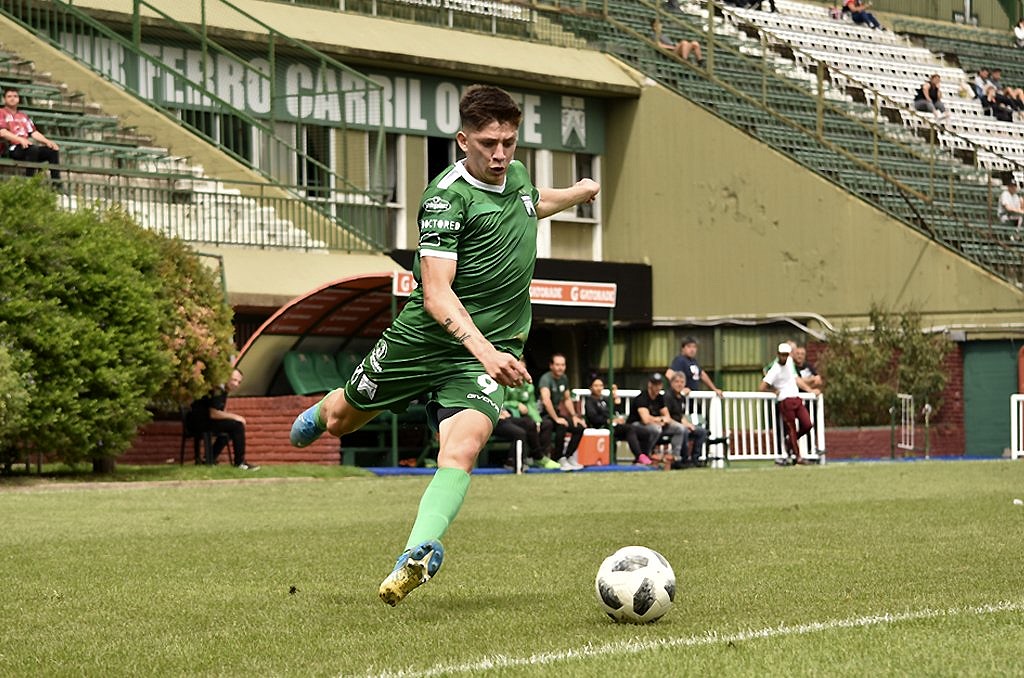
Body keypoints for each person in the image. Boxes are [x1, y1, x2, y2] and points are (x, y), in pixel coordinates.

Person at [288, 84, 600, 606]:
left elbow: (531, 201)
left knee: (462, 448)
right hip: (426, 340)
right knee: (344, 421)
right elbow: (436, 293)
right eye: (488, 144)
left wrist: (576, 193)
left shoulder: (516, 176)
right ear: (463, 140)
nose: (500, 154)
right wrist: (486, 353)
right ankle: (325, 409)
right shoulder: (445, 198)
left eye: (508, 142)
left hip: (488, 348)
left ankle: (415, 553)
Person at [759, 343, 819, 465]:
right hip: (785, 400)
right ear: (778, 354)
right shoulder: (775, 369)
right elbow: (761, 387)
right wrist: (773, 391)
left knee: (807, 424)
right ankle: (798, 457)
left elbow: (796, 379)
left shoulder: (790, 362)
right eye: (782, 355)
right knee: (791, 428)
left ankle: (789, 442)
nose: (784, 357)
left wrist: (809, 390)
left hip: (796, 398)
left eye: (786, 354)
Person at [192, 368, 259, 470]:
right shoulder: (217, 390)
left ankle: (209, 458)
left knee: (231, 428)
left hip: (205, 421)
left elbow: (220, 411)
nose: (236, 384)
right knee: (237, 426)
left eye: (239, 382)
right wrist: (237, 417)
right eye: (234, 380)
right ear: (226, 378)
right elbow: (214, 413)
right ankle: (240, 462)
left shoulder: (223, 391)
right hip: (199, 423)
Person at [501, 358, 560, 470]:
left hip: (526, 417)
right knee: (528, 424)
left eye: (521, 369)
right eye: (516, 369)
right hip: (509, 416)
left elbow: (532, 405)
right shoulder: (505, 383)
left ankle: (541, 457)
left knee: (546, 424)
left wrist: (538, 421)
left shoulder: (528, 386)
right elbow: (501, 402)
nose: (519, 371)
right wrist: (516, 404)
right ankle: (533, 457)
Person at [583, 376, 652, 466]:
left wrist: (617, 406)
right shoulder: (590, 401)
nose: (599, 388)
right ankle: (639, 456)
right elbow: (593, 418)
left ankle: (644, 455)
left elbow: (613, 412)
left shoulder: (604, 400)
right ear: (591, 387)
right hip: (602, 427)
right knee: (629, 429)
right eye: (596, 386)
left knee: (644, 432)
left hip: (614, 425)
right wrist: (608, 420)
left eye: (601, 385)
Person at [0, 87, 61, 182]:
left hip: (27, 147)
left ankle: (56, 184)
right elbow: (2, 132)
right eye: (9, 96)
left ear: (19, 99)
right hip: (11, 147)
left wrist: (47, 141)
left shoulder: (23, 116)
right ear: (4, 99)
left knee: (52, 151)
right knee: (32, 149)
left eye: (15, 96)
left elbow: (33, 132)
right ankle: (30, 181)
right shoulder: (1, 113)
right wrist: (20, 139)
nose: (12, 98)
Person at [537, 352, 586, 471]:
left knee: (579, 427)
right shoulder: (546, 378)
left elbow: (567, 399)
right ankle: (558, 458)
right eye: (557, 365)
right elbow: (546, 401)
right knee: (561, 425)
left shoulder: (564, 378)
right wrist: (557, 418)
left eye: (563, 365)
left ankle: (568, 456)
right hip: (543, 414)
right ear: (551, 366)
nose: (560, 368)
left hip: (555, 413)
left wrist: (574, 416)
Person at [628, 373, 686, 469]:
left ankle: (675, 457)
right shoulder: (642, 398)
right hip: (637, 425)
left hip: (656, 424)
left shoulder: (660, 398)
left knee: (679, 428)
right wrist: (660, 419)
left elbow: (667, 417)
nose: (657, 387)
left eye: (659, 384)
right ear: (650, 384)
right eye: (655, 384)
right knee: (656, 429)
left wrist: (662, 420)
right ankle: (647, 454)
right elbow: (645, 419)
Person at [663, 373, 709, 466]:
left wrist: (689, 424)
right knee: (683, 430)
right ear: (671, 383)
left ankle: (695, 459)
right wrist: (684, 425)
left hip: (680, 423)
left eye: (682, 382)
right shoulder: (667, 397)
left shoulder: (681, 397)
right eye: (677, 382)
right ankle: (683, 459)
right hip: (669, 425)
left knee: (701, 432)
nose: (679, 384)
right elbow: (667, 417)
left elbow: (680, 416)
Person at [665, 337, 723, 403]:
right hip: (683, 399)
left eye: (694, 347)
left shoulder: (694, 361)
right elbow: (669, 374)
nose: (692, 349)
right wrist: (681, 388)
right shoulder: (680, 360)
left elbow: (702, 375)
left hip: (692, 398)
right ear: (683, 348)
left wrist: (714, 389)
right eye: (689, 347)